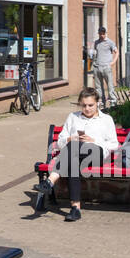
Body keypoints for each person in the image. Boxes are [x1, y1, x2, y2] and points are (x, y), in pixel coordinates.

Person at [43, 88, 119, 222]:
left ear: (98, 104)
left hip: (97, 155)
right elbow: (60, 142)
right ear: (80, 104)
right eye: (84, 105)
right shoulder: (73, 117)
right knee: (73, 161)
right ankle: (75, 209)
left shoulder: (106, 119)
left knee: (73, 150)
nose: (87, 109)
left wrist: (93, 141)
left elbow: (114, 144)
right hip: (75, 154)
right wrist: (69, 139)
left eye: (91, 105)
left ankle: (50, 180)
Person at [88, 27, 118, 108]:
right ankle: (101, 101)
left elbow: (116, 52)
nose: (102, 35)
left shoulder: (110, 42)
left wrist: (113, 62)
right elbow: (92, 52)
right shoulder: (96, 42)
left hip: (106, 67)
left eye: (103, 33)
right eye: (100, 33)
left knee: (110, 85)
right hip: (97, 66)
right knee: (98, 86)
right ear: (98, 33)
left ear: (105, 33)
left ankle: (113, 102)